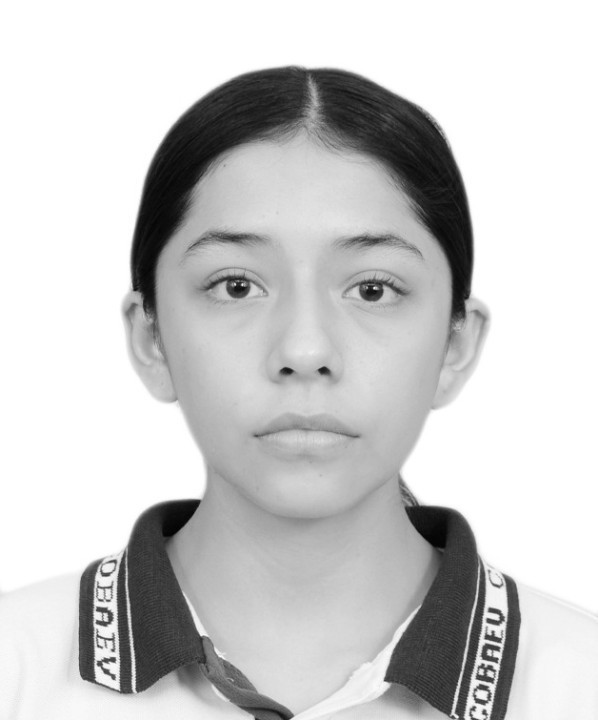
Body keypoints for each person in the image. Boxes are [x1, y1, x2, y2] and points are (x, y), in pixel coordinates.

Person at [1, 66, 596, 720]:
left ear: (456, 344)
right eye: (236, 286)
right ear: (152, 337)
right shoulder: (16, 670)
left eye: (373, 289)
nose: (305, 350)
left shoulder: (579, 682)